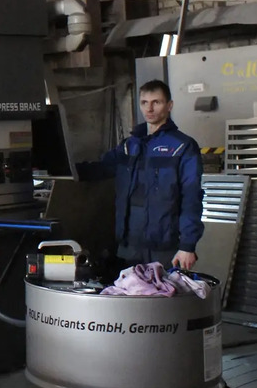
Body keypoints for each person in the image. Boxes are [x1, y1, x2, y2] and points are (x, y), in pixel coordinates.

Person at [83, 80, 204, 270]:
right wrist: (62, 167)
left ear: (169, 105)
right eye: (144, 102)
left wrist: (187, 245)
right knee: (128, 288)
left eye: (156, 102)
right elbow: (100, 169)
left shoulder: (182, 146)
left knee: (163, 289)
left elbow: (192, 196)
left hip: (164, 246)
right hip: (128, 245)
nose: (149, 108)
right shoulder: (129, 146)